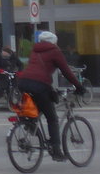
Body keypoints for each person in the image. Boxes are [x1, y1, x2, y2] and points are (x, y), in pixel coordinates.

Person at [16, 30, 85, 161]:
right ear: (54, 42)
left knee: (37, 108)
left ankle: (29, 124)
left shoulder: (35, 50)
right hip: (39, 85)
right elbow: (66, 71)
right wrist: (79, 86)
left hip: (24, 82)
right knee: (52, 118)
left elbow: (36, 70)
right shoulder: (55, 51)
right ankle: (56, 151)